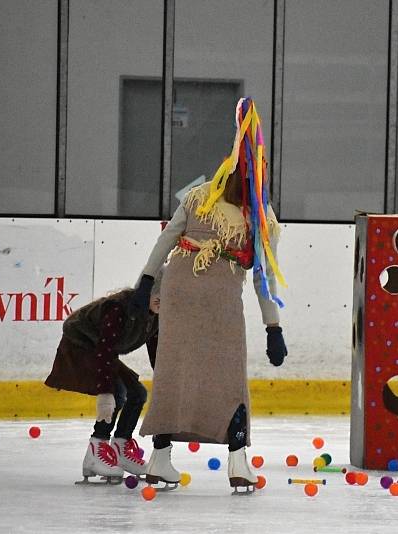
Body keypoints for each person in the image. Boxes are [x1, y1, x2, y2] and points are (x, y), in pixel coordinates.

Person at [134, 97, 288, 492]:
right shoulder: (259, 214)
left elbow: (166, 240)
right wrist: (273, 327)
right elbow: (263, 277)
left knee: (172, 373)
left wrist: (147, 283)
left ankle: (159, 459)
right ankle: (238, 464)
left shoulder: (199, 195)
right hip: (219, 300)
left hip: (179, 293)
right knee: (227, 378)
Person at [44, 276, 161, 483]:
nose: (161, 299)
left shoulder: (156, 316)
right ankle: (96, 450)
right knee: (117, 392)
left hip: (102, 349)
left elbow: (156, 354)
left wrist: (164, 383)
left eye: (167, 295)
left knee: (138, 393)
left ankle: (120, 446)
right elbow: (105, 351)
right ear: (145, 292)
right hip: (78, 345)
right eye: (156, 293)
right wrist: (105, 393)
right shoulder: (118, 309)